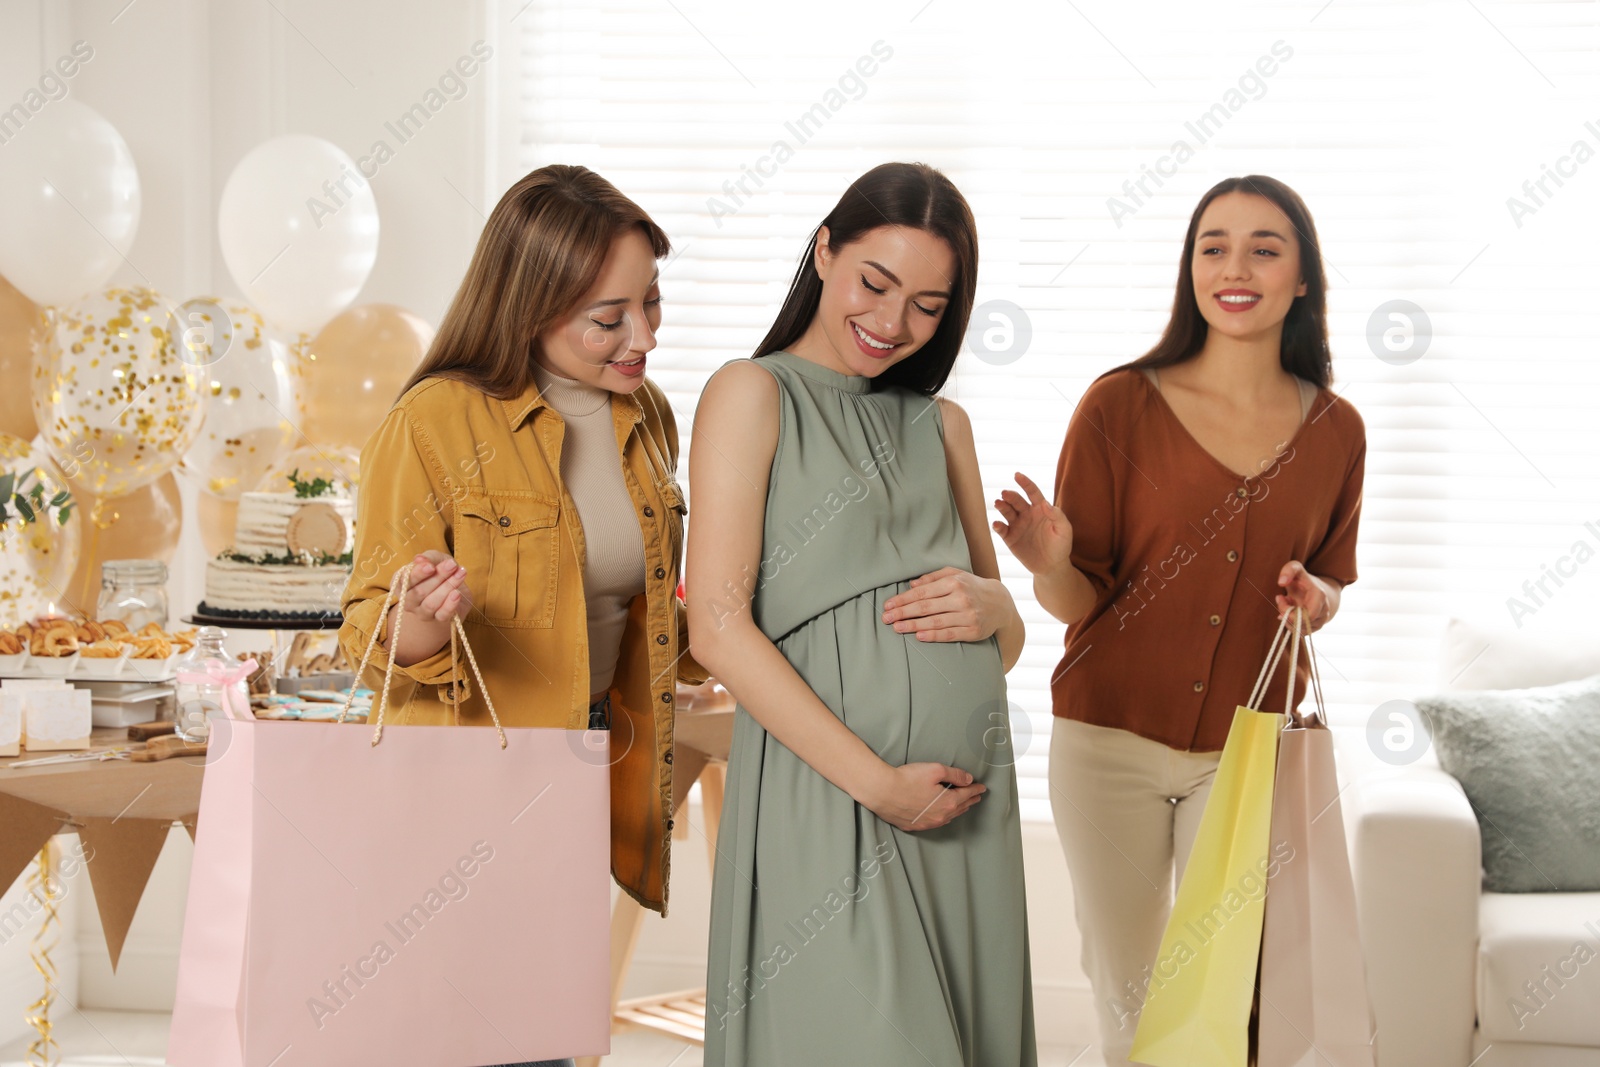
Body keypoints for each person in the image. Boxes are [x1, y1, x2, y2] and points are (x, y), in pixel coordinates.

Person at [337, 164, 704, 1067]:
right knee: (462, 1038)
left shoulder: (647, 416)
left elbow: (656, 606)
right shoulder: (433, 421)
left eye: (651, 303)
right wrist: (421, 615)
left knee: (546, 1038)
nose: (643, 336)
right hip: (464, 777)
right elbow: (366, 629)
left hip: (584, 764)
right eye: (608, 318)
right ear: (530, 304)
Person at [994, 175, 1365, 1066]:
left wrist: (1316, 601)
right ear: (1190, 268)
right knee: (1128, 990)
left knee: (1220, 994)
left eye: (1264, 248)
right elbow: (1081, 599)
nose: (1235, 268)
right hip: (1106, 743)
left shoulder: (1337, 429)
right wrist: (1050, 565)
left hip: (1246, 751)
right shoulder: (1118, 405)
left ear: (1303, 277)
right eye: (1214, 246)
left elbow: (1332, 582)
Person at [688, 161, 1037, 1066]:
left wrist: (1000, 602)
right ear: (824, 248)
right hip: (831, 793)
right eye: (874, 283)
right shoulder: (750, 393)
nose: (891, 323)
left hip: (965, 813)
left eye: (927, 304)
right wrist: (880, 784)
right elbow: (716, 626)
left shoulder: (942, 424)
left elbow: (1002, 644)